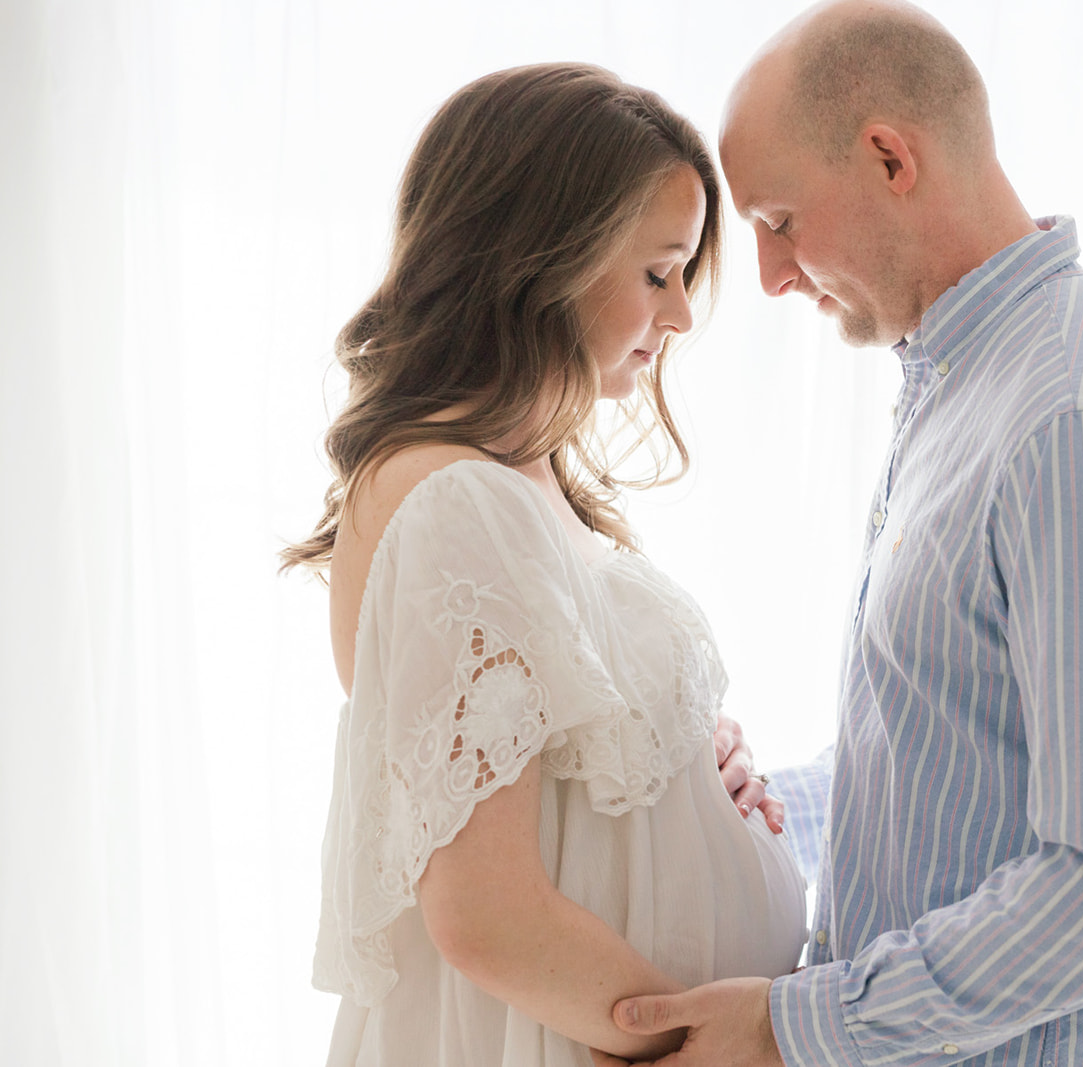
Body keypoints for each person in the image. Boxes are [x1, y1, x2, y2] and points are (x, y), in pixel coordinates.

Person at [602, 2, 1083, 1065]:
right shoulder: (970, 391)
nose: (770, 276)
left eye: (778, 221)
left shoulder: (1076, 418)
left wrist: (790, 1028)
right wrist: (773, 809)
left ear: (888, 159)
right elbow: (964, 766)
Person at [280, 63, 807, 1067]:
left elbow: (547, 766)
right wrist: (708, 1044)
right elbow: (486, 913)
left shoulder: (516, 482)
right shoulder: (455, 499)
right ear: (537, 260)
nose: (683, 315)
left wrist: (687, 753)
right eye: (659, 273)